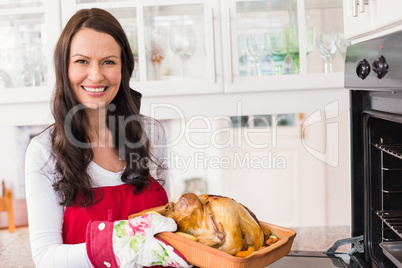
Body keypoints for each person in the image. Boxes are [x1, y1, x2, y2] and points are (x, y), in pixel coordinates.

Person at [25, 8, 189, 268]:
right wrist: (121, 246)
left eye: (108, 62)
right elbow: (46, 258)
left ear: (124, 69)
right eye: (82, 61)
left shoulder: (151, 133)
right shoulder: (44, 151)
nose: (96, 75)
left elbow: (164, 227)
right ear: (64, 67)